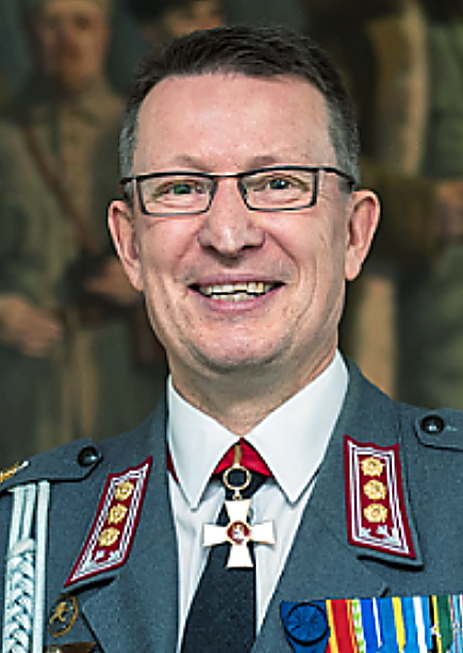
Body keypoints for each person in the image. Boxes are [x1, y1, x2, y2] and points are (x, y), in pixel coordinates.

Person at [2, 24, 463, 653]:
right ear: (130, 246)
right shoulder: (23, 537)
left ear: (355, 234)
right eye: (181, 188)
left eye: (278, 183)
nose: (227, 235)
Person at [0, 0, 164, 467]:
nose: (68, 39)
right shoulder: (6, 136)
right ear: (31, 35)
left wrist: (146, 279)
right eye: (53, 24)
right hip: (22, 381)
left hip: (120, 373)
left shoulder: (145, 131)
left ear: (105, 34)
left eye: (82, 23)